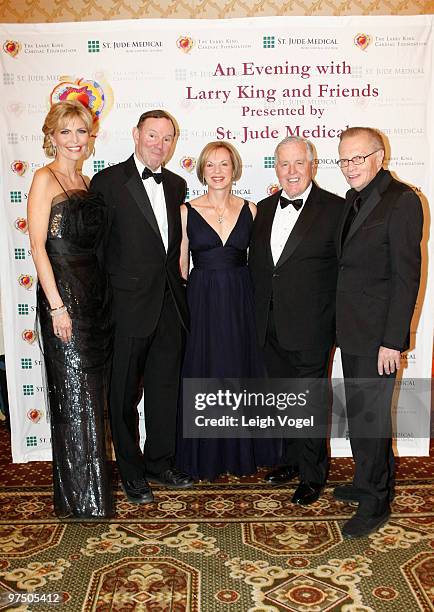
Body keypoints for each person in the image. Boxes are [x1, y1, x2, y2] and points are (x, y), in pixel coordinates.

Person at [90, 110, 193, 504]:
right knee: (122, 396)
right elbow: (98, 252)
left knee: (165, 390)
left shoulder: (177, 184)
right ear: (136, 135)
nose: (159, 145)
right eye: (153, 135)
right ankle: (132, 472)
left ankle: (159, 462)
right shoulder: (107, 182)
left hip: (169, 306)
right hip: (126, 308)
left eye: (167, 138)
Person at [334, 127, 423, 538]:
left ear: (379, 156)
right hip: (352, 329)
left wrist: (393, 340)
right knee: (360, 413)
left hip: (377, 337)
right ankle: (371, 480)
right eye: (344, 159)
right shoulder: (354, 199)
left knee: (369, 417)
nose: (349, 167)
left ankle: (375, 502)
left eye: (357, 158)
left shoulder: (402, 201)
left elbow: (407, 278)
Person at [28, 100, 113, 519]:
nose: (75, 140)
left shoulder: (87, 179)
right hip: (62, 297)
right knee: (71, 396)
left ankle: (93, 496)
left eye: (82, 132)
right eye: (66, 132)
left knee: (91, 396)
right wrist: (57, 306)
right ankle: (78, 499)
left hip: (95, 297)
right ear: (52, 136)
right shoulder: (43, 179)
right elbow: (38, 247)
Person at [175, 141, 281, 481]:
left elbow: (264, 260)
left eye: (224, 164)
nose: (218, 171)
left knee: (240, 369)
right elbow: (180, 265)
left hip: (240, 298)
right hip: (202, 298)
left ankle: (242, 450)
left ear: (234, 169)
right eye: (210, 165)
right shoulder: (185, 210)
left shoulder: (252, 210)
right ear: (202, 170)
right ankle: (205, 454)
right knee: (205, 370)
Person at [249, 136, 344, 504]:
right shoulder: (263, 208)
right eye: (284, 165)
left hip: (312, 327)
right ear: (276, 168)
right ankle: (291, 460)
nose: (291, 172)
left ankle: (313, 475)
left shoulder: (336, 209)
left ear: (312, 165)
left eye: (298, 164)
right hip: (269, 325)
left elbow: (343, 272)